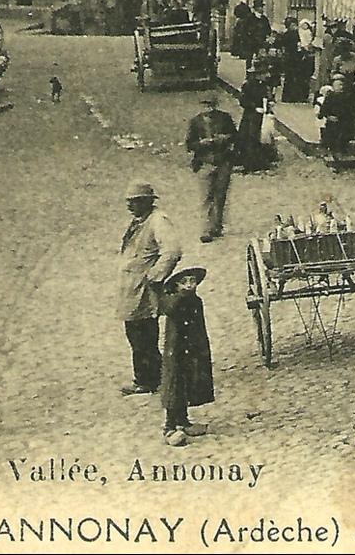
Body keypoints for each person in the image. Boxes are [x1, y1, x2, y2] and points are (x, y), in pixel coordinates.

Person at [117, 182, 183, 395]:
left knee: (143, 332)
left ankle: (149, 379)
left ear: (146, 201)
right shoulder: (139, 221)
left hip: (144, 288)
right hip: (132, 288)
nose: (129, 206)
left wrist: (155, 276)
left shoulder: (158, 221)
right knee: (134, 332)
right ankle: (148, 377)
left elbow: (172, 251)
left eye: (134, 201)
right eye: (128, 202)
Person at [158, 265, 215, 447]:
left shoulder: (196, 301)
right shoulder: (173, 301)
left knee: (189, 382)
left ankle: (183, 421)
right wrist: (181, 296)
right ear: (176, 286)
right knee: (175, 384)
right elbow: (168, 308)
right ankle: (169, 427)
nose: (190, 285)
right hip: (176, 350)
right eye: (184, 282)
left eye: (192, 281)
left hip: (193, 348)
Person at [185, 95, 237, 243]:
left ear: (216, 105)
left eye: (210, 105)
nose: (208, 108)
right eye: (205, 104)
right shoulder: (195, 122)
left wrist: (224, 138)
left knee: (220, 195)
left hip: (223, 161)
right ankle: (206, 229)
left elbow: (235, 136)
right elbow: (190, 144)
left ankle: (217, 225)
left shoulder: (225, 118)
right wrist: (201, 143)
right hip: (204, 162)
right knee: (207, 196)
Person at [236, 67, 274, 173]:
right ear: (258, 74)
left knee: (263, 137)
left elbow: (268, 98)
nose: (268, 75)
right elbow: (243, 100)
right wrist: (254, 107)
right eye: (265, 73)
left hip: (263, 116)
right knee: (250, 137)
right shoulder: (248, 85)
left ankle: (261, 161)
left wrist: (270, 104)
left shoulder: (265, 86)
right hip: (251, 115)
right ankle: (249, 163)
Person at [317, 74, 355, 156]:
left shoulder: (348, 96)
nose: (341, 87)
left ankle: (340, 151)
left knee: (342, 132)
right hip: (332, 120)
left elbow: (350, 110)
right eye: (338, 85)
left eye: (342, 85)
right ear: (333, 86)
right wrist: (328, 116)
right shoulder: (330, 96)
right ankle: (331, 150)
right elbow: (324, 109)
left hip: (344, 121)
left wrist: (341, 117)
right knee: (330, 131)